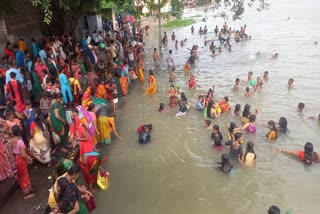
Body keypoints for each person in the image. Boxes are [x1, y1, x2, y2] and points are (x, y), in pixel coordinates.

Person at [5, 125, 34, 199]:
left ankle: (28, 188)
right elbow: (24, 154)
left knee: (20, 176)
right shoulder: (20, 142)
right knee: (24, 176)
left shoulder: (9, 141)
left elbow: (8, 152)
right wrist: (29, 158)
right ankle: (26, 194)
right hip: (21, 160)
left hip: (15, 161)